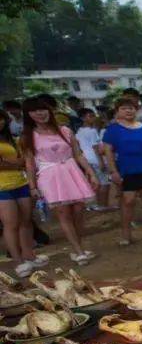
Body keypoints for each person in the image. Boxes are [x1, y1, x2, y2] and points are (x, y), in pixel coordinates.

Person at [21, 95, 97, 264]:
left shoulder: (65, 130)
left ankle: (79, 246)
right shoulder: (28, 136)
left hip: (72, 172)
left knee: (78, 210)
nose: (40, 113)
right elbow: (30, 164)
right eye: (34, 111)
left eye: (42, 109)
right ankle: (78, 251)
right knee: (63, 214)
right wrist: (33, 187)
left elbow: (78, 154)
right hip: (50, 175)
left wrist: (90, 172)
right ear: (28, 115)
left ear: (50, 110)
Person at [101, 96, 142, 245]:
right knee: (128, 201)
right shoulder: (112, 130)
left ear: (136, 110)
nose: (128, 110)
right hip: (127, 170)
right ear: (117, 111)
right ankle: (126, 234)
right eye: (124, 108)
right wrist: (113, 171)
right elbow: (108, 152)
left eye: (131, 108)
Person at [0, 109, 46, 277]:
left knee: (26, 221)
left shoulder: (12, 139)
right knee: (10, 224)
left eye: (2, 119)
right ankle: (18, 261)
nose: (1, 123)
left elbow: (26, 160)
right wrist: (17, 163)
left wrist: (10, 162)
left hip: (21, 183)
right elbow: (17, 162)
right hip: (2, 188)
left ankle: (29, 255)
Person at [75, 108, 112, 212]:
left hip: (87, 159)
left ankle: (97, 204)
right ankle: (103, 205)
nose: (93, 118)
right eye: (90, 116)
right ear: (83, 118)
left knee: (96, 182)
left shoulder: (79, 131)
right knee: (105, 183)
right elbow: (95, 147)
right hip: (95, 159)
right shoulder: (92, 131)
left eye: (93, 115)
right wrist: (101, 161)